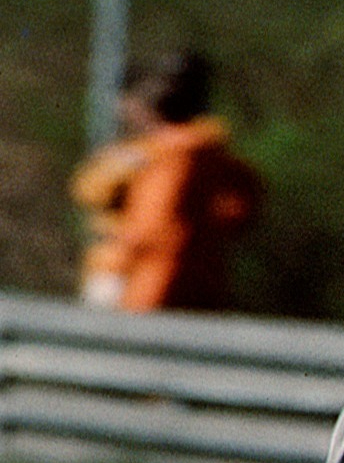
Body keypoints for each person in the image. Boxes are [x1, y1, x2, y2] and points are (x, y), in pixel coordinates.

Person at [71, 51, 263, 312]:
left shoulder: (169, 157)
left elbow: (149, 229)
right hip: (190, 279)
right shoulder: (206, 155)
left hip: (136, 277)